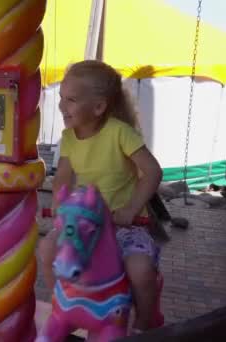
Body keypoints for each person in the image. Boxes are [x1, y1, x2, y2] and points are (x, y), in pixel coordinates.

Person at [39, 60, 163, 333]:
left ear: (98, 107)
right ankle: (64, 304)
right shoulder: (69, 137)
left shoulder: (120, 133)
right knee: (47, 249)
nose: (61, 106)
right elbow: (63, 175)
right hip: (83, 225)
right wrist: (59, 203)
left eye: (71, 100)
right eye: (61, 98)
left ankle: (145, 323)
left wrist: (131, 208)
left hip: (124, 227)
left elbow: (153, 171)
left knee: (140, 269)